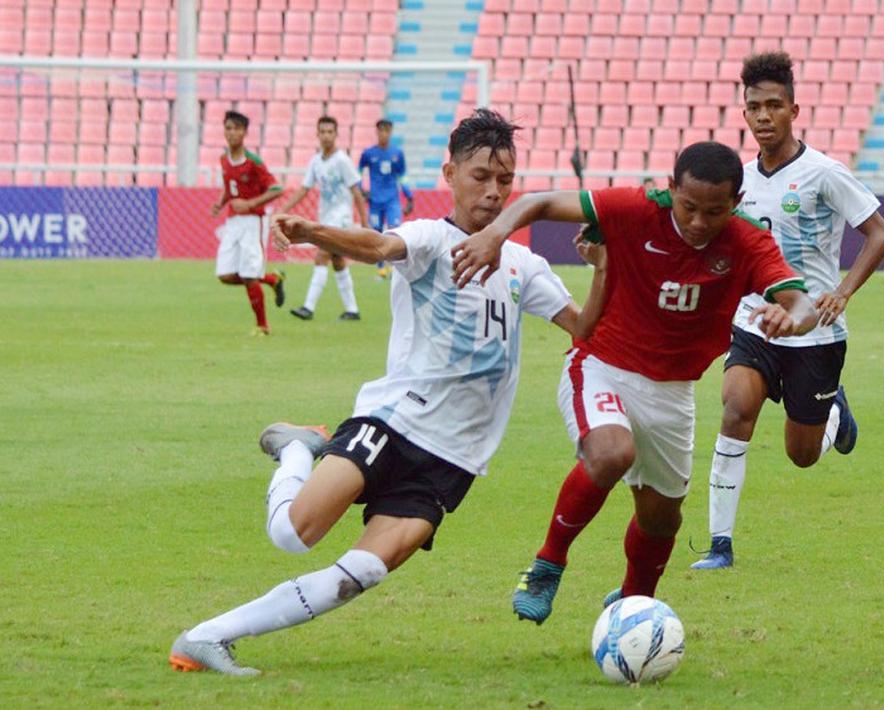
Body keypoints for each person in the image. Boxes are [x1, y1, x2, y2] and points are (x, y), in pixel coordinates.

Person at [168, 109, 608, 675]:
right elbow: (378, 245)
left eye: (505, 180)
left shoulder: (523, 263)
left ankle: (206, 637)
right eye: (480, 177)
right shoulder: (430, 238)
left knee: (362, 574)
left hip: (454, 461)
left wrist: (601, 266)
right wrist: (312, 232)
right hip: (393, 423)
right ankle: (298, 448)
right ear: (449, 173)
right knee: (293, 534)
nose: (494, 193)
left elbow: (583, 329)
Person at [449, 141, 821, 625]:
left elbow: (803, 302)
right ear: (670, 191)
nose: (699, 222)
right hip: (603, 365)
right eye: (689, 207)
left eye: (715, 211)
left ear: (736, 202)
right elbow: (536, 203)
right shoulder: (634, 207)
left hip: (673, 393)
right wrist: (496, 233)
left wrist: (791, 317)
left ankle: (633, 607)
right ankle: (547, 564)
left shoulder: (747, 241)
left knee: (661, 518)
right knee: (610, 453)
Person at [693, 52, 884, 570]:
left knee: (801, 455)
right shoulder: (735, 181)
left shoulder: (824, 173)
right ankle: (720, 544)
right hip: (754, 322)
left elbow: (880, 234)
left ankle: (834, 418)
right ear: (744, 114)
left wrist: (843, 292)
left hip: (814, 332)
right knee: (736, 408)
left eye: (774, 106)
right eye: (754, 107)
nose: (763, 116)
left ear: (793, 110)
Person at [280, 116, 369, 321]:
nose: (327, 136)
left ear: (336, 135)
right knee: (337, 261)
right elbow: (304, 189)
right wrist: (284, 209)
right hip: (326, 217)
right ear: (317, 134)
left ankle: (308, 308)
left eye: (330, 132)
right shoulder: (316, 161)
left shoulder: (342, 161)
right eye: (323, 132)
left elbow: (356, 192)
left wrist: (364, 223)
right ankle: (352, 310)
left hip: (341, 218)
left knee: (321, 256)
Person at [209, 110, 286, 335]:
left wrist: (250, 204)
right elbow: (230, 186)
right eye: (228, 128)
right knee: (225, 275)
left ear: (244, 132)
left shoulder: (254, 163)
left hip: (253, 221)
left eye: (236, 128)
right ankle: (272, 279)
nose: (231, 133)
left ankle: (262, 326)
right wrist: (221, 202)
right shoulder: (224, 159)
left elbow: (276, 189)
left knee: (249, 274)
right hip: (233, 221)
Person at [358, 119, 416, 280]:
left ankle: (395, 269)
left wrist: (409, 197)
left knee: (395, 231)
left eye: (387, 130)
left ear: (391, 132)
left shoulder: (397, 154)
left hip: (392, 200)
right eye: (381, 130)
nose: (384, 134)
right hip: (375, 201)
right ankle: (381, 270)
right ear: (377, 132)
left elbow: (402, 177)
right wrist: (361, 190)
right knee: (376, 232)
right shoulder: (368, 154)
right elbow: (358, 173)